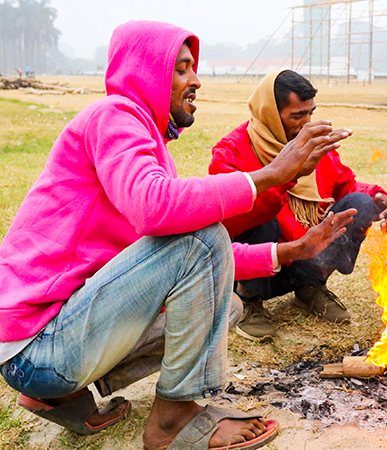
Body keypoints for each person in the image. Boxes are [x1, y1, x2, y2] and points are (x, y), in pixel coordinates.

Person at [0, 20, 357, 449]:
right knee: (200, 237)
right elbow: (172, 223)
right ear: (147, 73)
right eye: (182, 69)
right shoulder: (114, 116)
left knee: (226, 306)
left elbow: (187, 256)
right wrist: (268, 176)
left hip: (46, 348)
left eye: (193, 68)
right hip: (41, 345)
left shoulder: (145, 142)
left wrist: (290, 250)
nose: (197, 81)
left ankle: (59, 396)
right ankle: (176, 418)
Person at [210, 70, 387, 341]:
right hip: (260, 263)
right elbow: (229, 218)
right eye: (297, 116)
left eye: (310, 113)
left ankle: (311, 285)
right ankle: (248, 299)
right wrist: (287, 174)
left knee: (359, 203)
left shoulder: (314, 144)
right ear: (271, 113)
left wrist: (377, 197)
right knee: (259, 212)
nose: (307, 123)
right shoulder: (231, 152)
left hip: (304, 255)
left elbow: (344, 185)